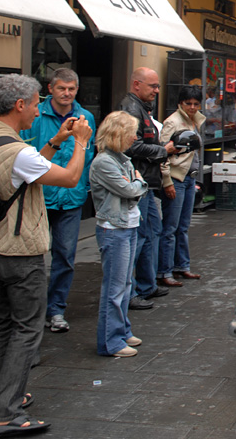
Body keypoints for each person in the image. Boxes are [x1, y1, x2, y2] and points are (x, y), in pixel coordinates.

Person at [0, 74, 92, 436]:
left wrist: (57, 140)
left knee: (1, 325)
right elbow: (70, 178)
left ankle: (6, 396)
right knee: (27, 329)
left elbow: (25, 174)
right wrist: (81, 143)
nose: (40, 107)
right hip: (18, 250)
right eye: (37, 101)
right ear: (20, 105)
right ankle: (5, 414)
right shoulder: (19, 150)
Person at [19, 68, 96, 334]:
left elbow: (88, 155)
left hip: (71, 197)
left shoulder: (86, 118)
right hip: (40, 196)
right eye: (62, 88)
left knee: (65, 255)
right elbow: (27, 151)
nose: (67, 93)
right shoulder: (36, 115)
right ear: (50, 89)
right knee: (35, 257)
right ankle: (35, 310)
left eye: (72, 89)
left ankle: (56, 309)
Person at [89, 111, 148, 358]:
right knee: (115, 287)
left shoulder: (121, 159)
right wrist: (138, 184)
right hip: (114, 229)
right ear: (118, 134)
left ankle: (122, 331)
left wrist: (135, 184)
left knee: (125, 284)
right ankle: (110, 342)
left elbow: (131, 187)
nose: (135, 137)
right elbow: (129, 188)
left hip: (128, 225)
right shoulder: (104, 162)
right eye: (131, 133)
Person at [119, 67, 179, 310]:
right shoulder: (131, 109)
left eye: (157, 86)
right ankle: (132, 291)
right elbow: (132, 147)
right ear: (136, 85)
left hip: (146, 181)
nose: (156, 90)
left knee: (151, 231)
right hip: (139, 182)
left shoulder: (139, 108)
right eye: (152, 86)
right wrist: (164, 150)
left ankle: (146, 284)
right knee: (140, 236)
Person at [156, 85, 205, 289]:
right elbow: (162, 153)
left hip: (188, 177)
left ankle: (181, 265)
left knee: (183, 226)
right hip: (176, 178)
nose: (192, 107)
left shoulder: (193, 120)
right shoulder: (172, 122)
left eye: (195, 104)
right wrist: (167, 180)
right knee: (170, 227)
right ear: (180, 103)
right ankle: (164, 271)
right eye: (188, 103)